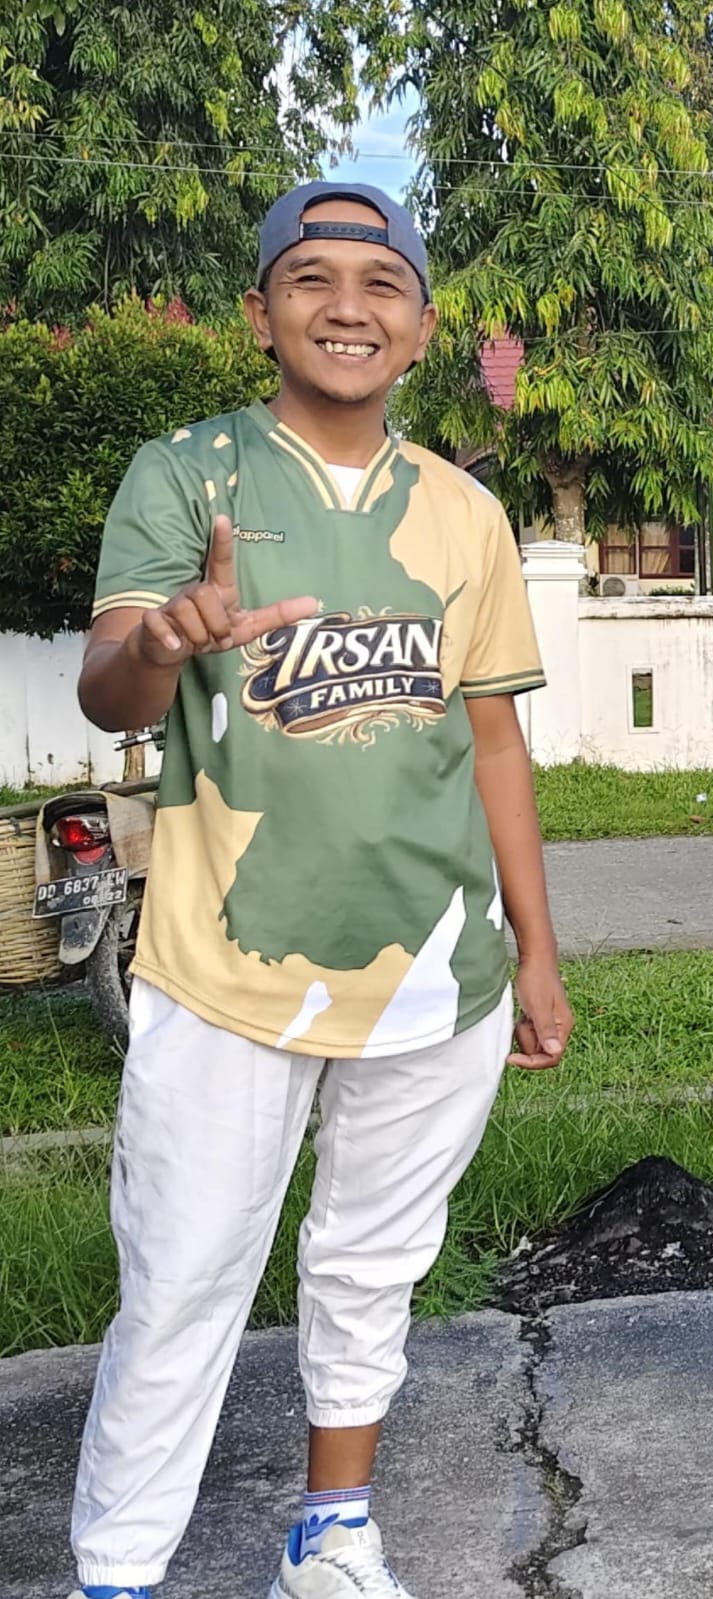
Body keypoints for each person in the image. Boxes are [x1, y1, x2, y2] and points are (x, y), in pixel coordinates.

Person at [69, 180, 574, 1599]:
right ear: (261, 312)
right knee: (183, 1276)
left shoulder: (465, 512)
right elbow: (109, 686)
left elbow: (493, 742)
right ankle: (116, 1567)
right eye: (311, 279)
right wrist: (161, 644)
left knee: (372, 1263)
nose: (347, 307)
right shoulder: (189, 474)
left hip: (436, 970)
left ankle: (332, 1530)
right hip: (225, 966)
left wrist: (538, 952)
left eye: (380, 283)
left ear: (422, 326)